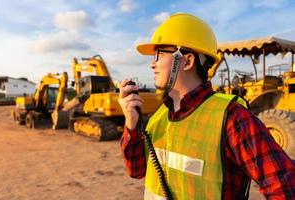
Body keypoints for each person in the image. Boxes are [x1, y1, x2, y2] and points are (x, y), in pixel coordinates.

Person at [118, 13, 295, 199]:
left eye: (159, 53)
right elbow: (137, 170)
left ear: (187, 61)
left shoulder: (232, 118)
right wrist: (131, 123)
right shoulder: (160, 115)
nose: (152, 64)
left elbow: (286, 188)